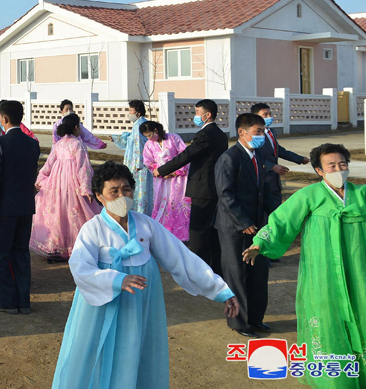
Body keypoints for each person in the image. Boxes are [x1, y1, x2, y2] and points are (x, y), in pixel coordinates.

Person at [50, 161, 238, 388]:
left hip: (141, 303)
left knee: (135, 348)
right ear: (100, 196)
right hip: (102, 304)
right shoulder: (93, 228)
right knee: (96, 348)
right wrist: (117, 279)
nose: (122, 196)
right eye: (114, 191)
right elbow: (81, 268)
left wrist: (220, 290)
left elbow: (181, 258)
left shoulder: (146, 224)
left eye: (126, 189)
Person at [243, 143, 365, 388]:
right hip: (323, 271)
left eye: (342, 164)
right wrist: (259, 244)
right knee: (327, 316)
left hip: (359, 269)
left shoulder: (361, 195)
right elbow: (281, 222)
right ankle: (334, 377)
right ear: (320, 171)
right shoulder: (309, 195)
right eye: (331, 165)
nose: (338, 169)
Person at [215, 113, 278, 338]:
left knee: (259, 273)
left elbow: (264, 190)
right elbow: (225, 193)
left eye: (263, 131)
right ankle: (239, 322)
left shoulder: (258, 154)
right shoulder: (229, 158)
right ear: (242, 132)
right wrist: (244, 221)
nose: (262, 135)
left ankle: (256, 319)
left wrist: (280, 213)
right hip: (234, 227)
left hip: (258, 226)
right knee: (237, 275)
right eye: (258, 132)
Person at [155, 99, 228, 275]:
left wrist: (162, 169)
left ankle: (198, 270)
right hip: (214, 186)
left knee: (198, 232)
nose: (195, 116)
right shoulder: (221, 134)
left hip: (203, 188)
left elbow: (187, 155)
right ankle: (215, 268)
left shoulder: (205, 135)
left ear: (207, 115)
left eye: (197, 112)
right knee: (211, 230)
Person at [0, 100, 40, 314]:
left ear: (4, 119)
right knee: (21, 254)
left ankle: (6, 300)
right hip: (25, 207)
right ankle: (23, 301)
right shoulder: (33, 143)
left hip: (4, 209)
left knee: (0, 255)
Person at [29, 113, 99, 261]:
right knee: (73, 214)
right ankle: (74, 247)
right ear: (76, 128)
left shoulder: (58, 144)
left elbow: (49, 164)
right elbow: (83, 168)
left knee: (58, 214)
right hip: (72, 184)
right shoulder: (78, 145)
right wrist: (86, 188)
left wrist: (41, 178)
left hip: (56, 184)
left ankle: (56, 248)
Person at [250, 102, 308, 222]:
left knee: (276, 214)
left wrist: (299, 159)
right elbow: (252, 156)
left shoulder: (271, 133)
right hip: (262, 182)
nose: (269, 117)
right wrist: (271, 167)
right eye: (265, 114)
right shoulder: (254, 136)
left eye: (270, 114)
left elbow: (278, 150)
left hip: (274, 182)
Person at [140, 120, 191, 241]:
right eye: (146, 136)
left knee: (177, 202)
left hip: (178, 178)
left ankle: (180, 231)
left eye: (149, 135)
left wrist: (176, 171)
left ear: (156, 130)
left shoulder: (173, 138)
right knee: (162, 203)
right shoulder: (149, 144)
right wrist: (160, 173)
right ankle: (163, 230)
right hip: (161, 180)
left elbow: (185, 155)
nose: (148, 138)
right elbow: (148, 162)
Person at [111, 100, 153, 215]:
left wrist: (138, 164)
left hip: (139, 166)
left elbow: (139, 145)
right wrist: (116, 138)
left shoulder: (139, 126)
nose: (129, 113)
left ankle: (140, 215)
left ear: (138, 112)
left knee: (140, 192)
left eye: (131, 110)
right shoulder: (141, 124)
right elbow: (130, 140)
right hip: (141, 165)